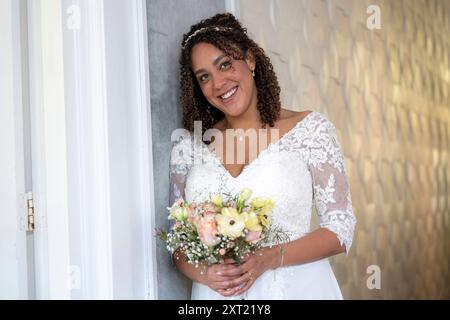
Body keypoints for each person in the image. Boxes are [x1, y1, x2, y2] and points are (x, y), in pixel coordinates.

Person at [168, 12, 356, 299]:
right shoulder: (189, 148)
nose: (218, 83)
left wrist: (270, 258)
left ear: (251, 59)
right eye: (204, 76)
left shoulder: (309, 130)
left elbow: (340, 229)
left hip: (297, 290)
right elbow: (176, 243)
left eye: (225, 64)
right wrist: (204, 273)